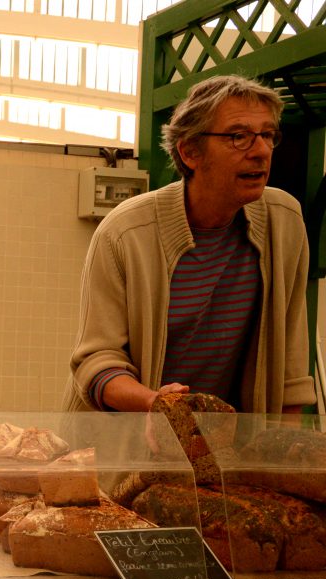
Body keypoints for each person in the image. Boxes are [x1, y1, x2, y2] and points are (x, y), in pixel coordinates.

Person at [63, 74, 316, 414]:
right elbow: (96, 360)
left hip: (225, 445)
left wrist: (277, 457)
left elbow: (289, 368)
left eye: (268, 135)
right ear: (190, 151)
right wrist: (159, 405)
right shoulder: (126, 232)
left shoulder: (284, 220)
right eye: (239, 136)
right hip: (119, 445)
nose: (260, 152)